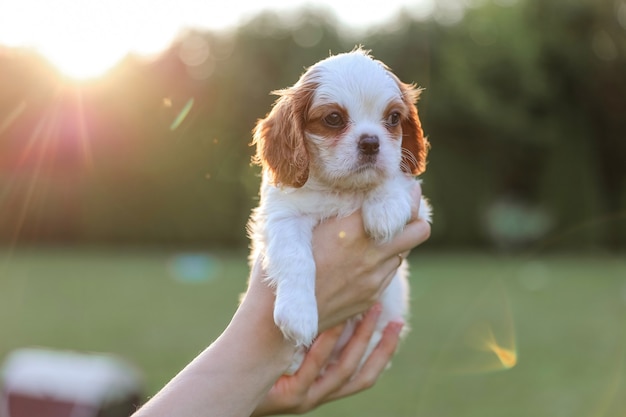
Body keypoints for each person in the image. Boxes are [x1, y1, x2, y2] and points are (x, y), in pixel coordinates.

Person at [132, 184, 431, 417]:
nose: (370, 138)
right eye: (333, 121)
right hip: (297, 340)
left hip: (366, 331)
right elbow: (281, 221)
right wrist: (264, 353)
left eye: (392, 119)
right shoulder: (291, 192)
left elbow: (413, 207)